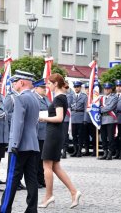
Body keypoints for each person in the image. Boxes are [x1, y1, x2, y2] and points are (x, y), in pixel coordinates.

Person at [0, 70, 40, 213]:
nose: (13, 84)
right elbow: (34, 123)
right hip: (33, 144)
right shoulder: (35, 98)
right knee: (31, 180)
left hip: (20, 145)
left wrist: (15, 144)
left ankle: (4, 210)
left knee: (12, 179)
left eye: (15, 81)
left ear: (22, 82)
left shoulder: (20, 98)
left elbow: (18, 123)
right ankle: (32, 210)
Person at [39, 73, 81, 209]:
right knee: (55, 166)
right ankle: (74, 192)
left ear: (55, 84)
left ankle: (48, 196)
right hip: (56, 133)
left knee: (47, 165)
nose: (47, 86)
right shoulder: (61, 97)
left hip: (53, 134)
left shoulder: (58, 98)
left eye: (49, 83)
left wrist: (43, 118)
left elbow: (59, 118)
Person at [33, 78, 50, 188]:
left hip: (45, 132)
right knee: (36, 159)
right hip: (37, 132)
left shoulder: (46, 99)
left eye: (45, 87)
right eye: (42, 88)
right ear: (36, 88)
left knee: (42, 158)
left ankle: (41, 178)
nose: (45, 89)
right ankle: (35, 180)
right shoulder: (34, 99)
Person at [99, 83, 118, 160]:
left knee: (110, 138)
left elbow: (110, 107)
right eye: (105, 89)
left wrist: (100, 110)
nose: (106, 90)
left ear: (111, 89)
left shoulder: (114, 98)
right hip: (102, 119)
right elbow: (97, 107)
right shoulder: (101, 98)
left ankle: (110, 153)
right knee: (103, 138)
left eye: (108, 88)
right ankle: (105, 152)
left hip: (110, 119)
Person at [70, 81, 87, 157]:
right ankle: (75, 150)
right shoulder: (71, 96)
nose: (76, 88)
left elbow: (86, 108)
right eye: (75, 87)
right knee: (74, 135)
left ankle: (79, 151)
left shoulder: (84, 96)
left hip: (81, 117)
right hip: (73, 117)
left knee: (80, 136)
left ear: (80, 87)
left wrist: (85, 119)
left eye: (77, 87)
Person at [83, 83, 97, 156]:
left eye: (89, 89)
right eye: (86, 89)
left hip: (92, 119)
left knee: (94, 136)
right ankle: (87, 150)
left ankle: (95, 150)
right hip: (84, 119)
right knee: (85, 136)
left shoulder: (94, 98)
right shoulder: (84, 97)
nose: (87, 90)